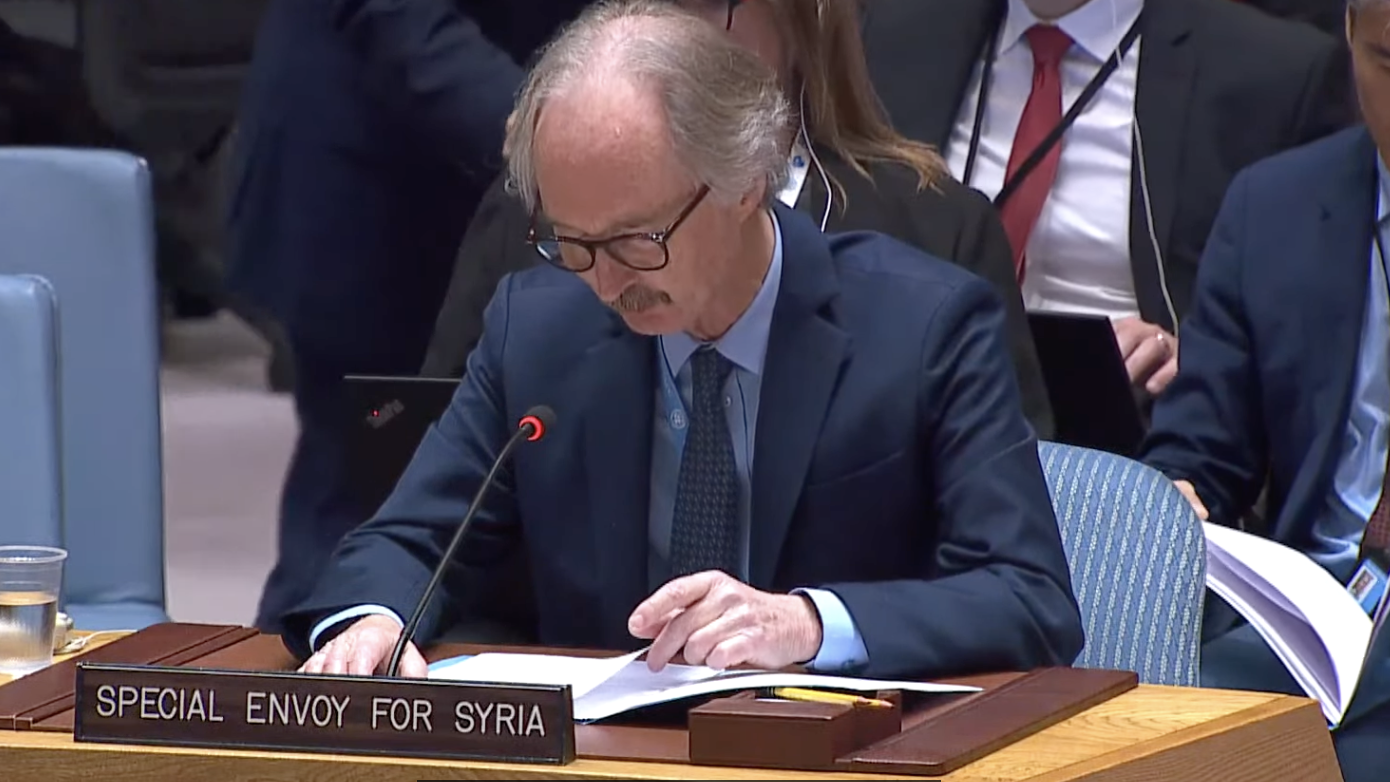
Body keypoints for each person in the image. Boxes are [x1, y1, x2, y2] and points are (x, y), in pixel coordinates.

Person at [285, 0, 1085, 681]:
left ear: (747, 181)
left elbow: (1028, 597)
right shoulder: (537, 329)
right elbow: (405, 539)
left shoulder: (925, 325)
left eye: (638, 239)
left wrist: (808, 623)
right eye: (572, 242)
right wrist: (373, 618)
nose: (604, 282)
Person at [421, 0, 1054, 438]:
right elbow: (433, 466)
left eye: (703, 3)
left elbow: (1008, 542)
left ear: (803, 17)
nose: (670, 34)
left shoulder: (937, 230)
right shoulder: (543, 209)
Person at [224, 0, 591, 634]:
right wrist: (554, 130)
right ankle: (294, 680)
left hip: (539, 174)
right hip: (372, 180)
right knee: (362, 495)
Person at [861, 0, 1352, 398]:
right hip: (924, 393)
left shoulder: (1272, 73)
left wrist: (1199, 361)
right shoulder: (890, 29)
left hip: (1127, 415)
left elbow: (1308, 338)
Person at [1139, 2, 1390, 778]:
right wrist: (1177, 496)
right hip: (1310, 611)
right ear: (1349, 35)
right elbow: (1202, 450)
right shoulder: (1272, 207)